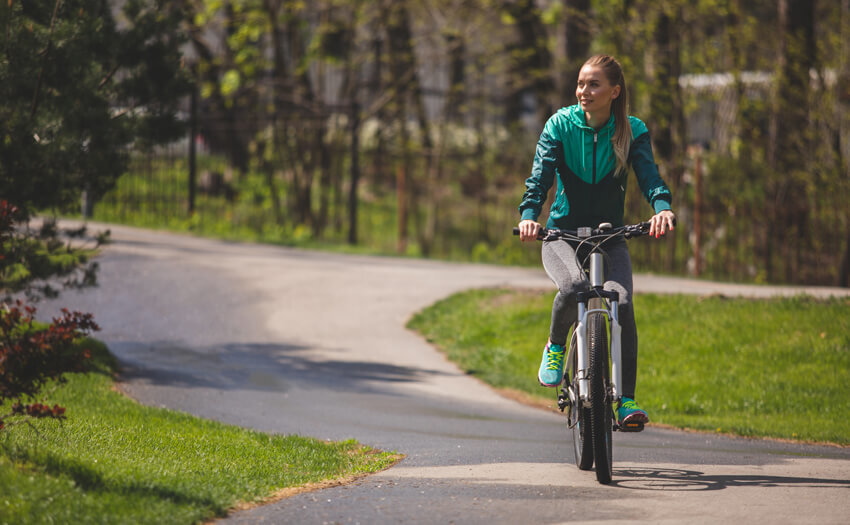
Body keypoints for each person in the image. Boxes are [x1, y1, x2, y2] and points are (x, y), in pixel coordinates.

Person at [517, 54, 676, 429]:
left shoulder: (632, 130)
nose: (583, 91)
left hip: (609, 236)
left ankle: (626, 400)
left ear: (614, 92)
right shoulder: (560, 125)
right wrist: (529, 216)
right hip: (562, 234)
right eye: (580, 83)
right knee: (573, 287)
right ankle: (556, 347)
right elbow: (540, 177)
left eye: (593, 84)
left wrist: (662, 207)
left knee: (621, 300)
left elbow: (649, 177)